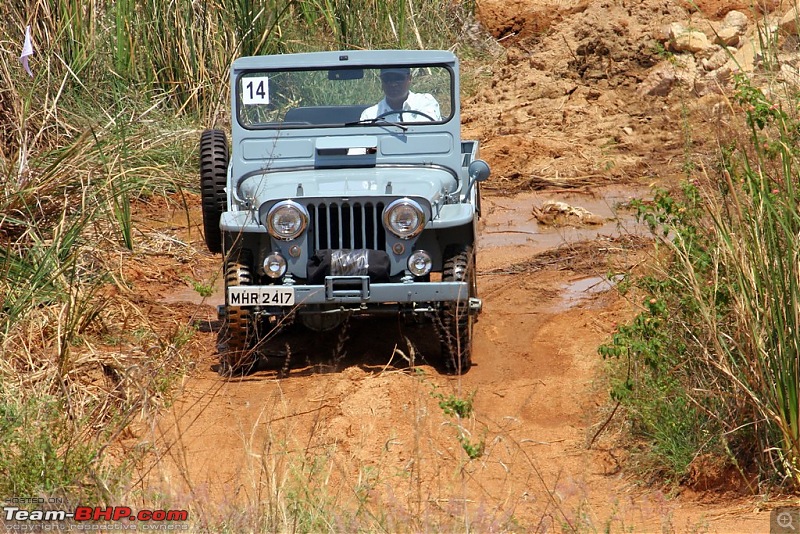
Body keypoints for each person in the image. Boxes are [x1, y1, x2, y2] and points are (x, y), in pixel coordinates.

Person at [360, 67, 441, 122]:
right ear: (381, 80)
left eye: (398, 78)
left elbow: (426, 135)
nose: (393, 84)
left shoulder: (425, 103)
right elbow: (361, 146)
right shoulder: (370, 115)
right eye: (387, 79)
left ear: (409, 79)